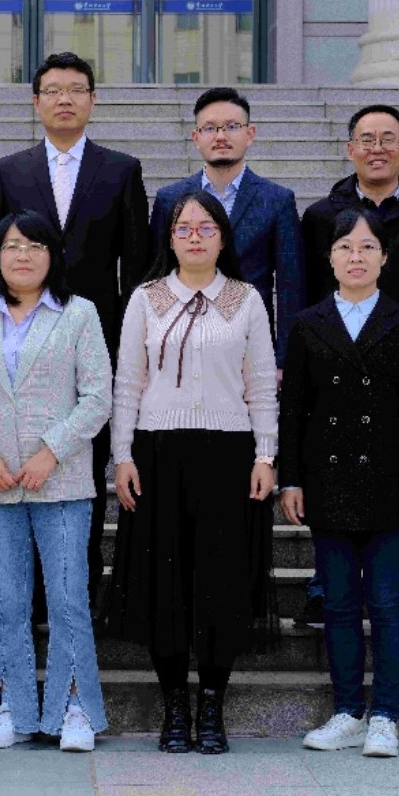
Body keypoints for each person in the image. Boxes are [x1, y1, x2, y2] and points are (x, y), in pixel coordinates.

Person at [105, 189, 278, 756]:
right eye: (184, 228)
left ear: (223, 237)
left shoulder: (247, 299)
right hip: (158, 453)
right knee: (167, 587)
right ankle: (174, 705)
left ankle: (212, 706)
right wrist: (122, 455)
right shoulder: (146, 298)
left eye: (206, 227)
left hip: (229, 455)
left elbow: (260, 383)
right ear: (170, 238)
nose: (195, 236)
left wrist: (265, 455)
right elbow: (128, 381)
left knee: (221, 584)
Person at [0, 52, 148, 604]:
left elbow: (136, 265)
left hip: (91, 340)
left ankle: (82, 584)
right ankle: (28, 592)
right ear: (36, 102)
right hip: (19, 339)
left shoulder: (122, 170)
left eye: (76, 89)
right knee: (22, 455)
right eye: (53, 91)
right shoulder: (9, 171)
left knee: (85, 462)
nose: (65, 100)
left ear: (93, 100)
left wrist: (128, 343)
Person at [297, 103, 399, 634]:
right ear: (350, 149)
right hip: (334, 362)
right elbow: (305, 292)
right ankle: (324, 589)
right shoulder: (321, 217)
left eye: (388, 138)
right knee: (331, 471)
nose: (377, 148)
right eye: (366, 139)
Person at [0, 211, 112, 753]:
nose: (22, 255)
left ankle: (75, 708)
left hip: (62, 482)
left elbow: (98, 395)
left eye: (34, 245)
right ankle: (10, 707)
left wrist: (53, 451)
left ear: (53, 255)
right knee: (8, 603)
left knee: (68, 599)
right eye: (12, 245)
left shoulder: (79, 314)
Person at [283, 210, 399, 760]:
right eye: (345, 246)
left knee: (389, 602)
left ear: (384, 257)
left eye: (368, 247)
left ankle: (386, 715)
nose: (356, 256)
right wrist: (291, 479)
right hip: (327, 479)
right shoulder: (308, 322)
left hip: (388, 482)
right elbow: (293, 408)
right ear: (330, 257)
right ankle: (348, 710)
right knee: (340, 602)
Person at [151, 86, 304, 369]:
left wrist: (285, 360)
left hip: (250, 341)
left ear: (250, 134)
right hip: (181, 339)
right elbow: (158, 273)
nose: (220, 136)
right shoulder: (169, 199)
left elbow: (290, 286)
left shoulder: (277, 200)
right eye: (210, 128)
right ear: (196, 138)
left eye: (232, 127)